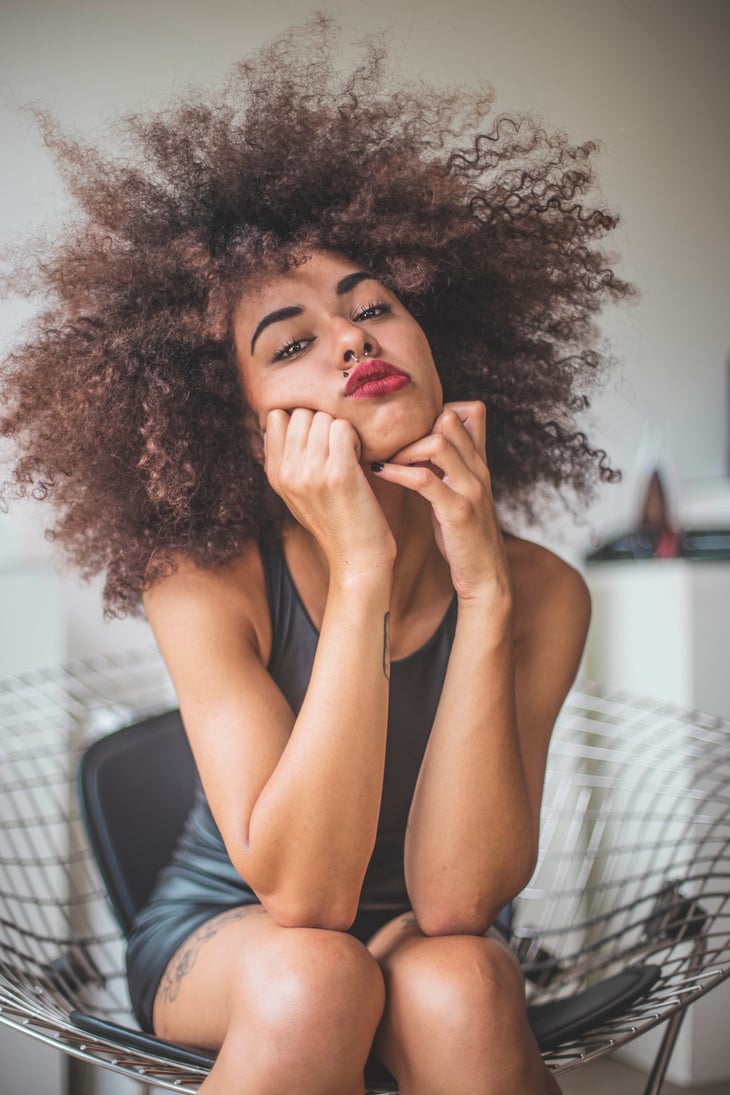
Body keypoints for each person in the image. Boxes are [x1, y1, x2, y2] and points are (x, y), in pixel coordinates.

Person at [1, 18, 630, 1094]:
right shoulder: (204, 582)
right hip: (234, 936)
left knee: (462, 982)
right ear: (233, 426)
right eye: (290, 342)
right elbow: (303, 898)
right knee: (316, 976)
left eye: (374, 306)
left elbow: (455, 901)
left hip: (431, 932)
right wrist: (361, 575)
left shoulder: (541, 590)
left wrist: (479, 589)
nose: (352, 341)